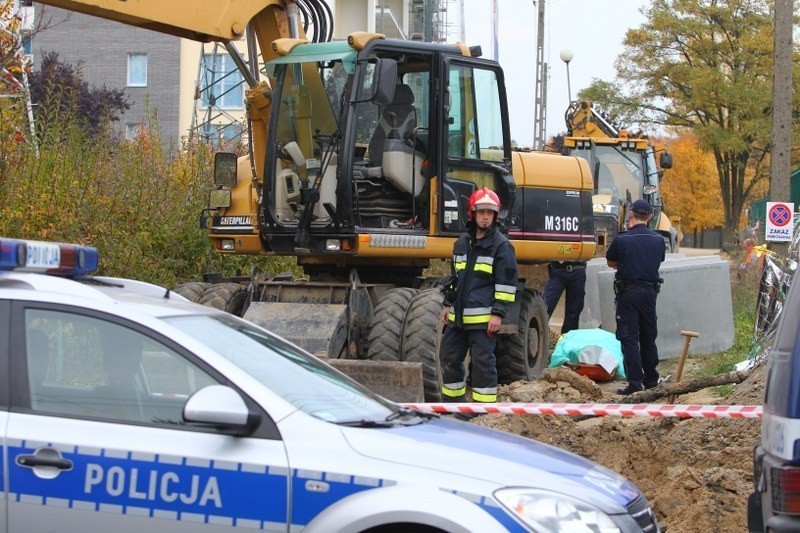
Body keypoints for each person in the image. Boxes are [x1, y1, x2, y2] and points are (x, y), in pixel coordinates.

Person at [439, 187, 519, 403]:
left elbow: (507, 283)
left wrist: (498, 313)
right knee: (449, 357)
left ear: (496, 215)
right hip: (458, 318)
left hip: (484, 320)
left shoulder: (501, 246)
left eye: (490, 213)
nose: (485, 217)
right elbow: (455, 278)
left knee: (483, 363)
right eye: (481, 212)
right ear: (472, 214)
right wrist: (448, 304)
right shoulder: (461, 243)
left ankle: (484, 411)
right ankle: (453, 405)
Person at [606, 199, 666, 395]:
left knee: (629, 337)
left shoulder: (622, 239)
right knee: (648, 336)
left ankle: (635, 383)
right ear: (650, 217)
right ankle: (651, 380)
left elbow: (611, 262)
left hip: (628, 293)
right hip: (650, 294)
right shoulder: (658, 240)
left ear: (631, 214)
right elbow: (658, 260)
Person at [543, 260, 587, 335]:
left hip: (577, 269)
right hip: (557, 270)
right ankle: (539, 334)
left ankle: (567, 340)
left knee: (574, 310)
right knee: (545, 305)